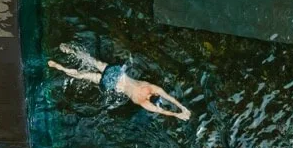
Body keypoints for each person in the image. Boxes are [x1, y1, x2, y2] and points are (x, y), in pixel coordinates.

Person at [47, 44, 191, 120]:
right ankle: (59, 66)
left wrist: (182, 106)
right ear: (151, 100)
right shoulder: (142, 102)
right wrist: (178, 114)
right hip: (113, 85)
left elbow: (169, 97)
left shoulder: (150, 87)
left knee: (91, 60)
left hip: (117, 73)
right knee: (81, 75)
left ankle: (69, 50)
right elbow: (162, 111)